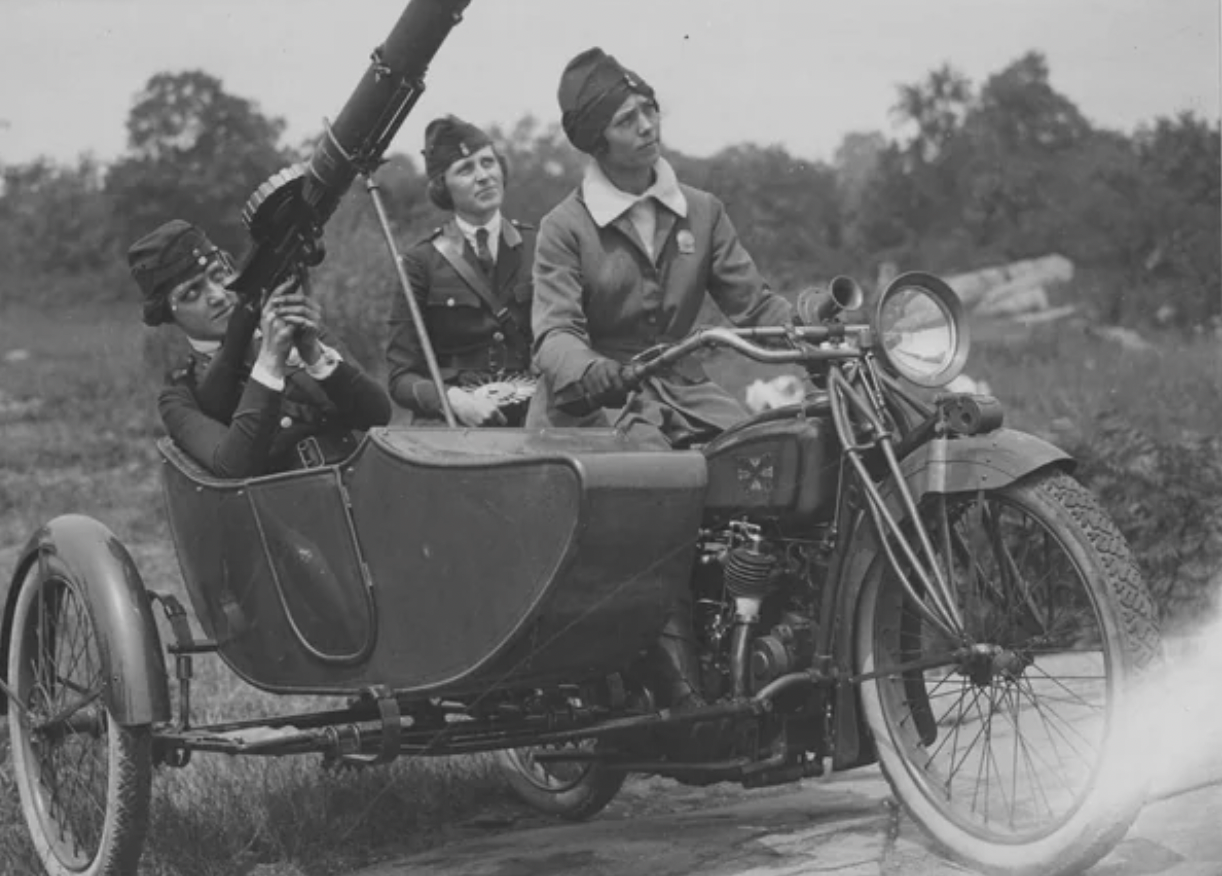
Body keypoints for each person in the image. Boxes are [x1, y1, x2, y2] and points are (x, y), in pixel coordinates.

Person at [529, 48, 796, 710]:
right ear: (596, 140)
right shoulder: (565, 228)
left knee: (772, 461)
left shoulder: (702, 210)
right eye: (626, 119)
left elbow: (755, 307)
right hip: (593, 406)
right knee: (660, 493)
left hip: (686, 389)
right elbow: (553, 334)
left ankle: (758, 632)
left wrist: (815, 328)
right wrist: (595, 373)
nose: (647, 125)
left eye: (649, 107)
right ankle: (674, 679)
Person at [129, 220, 391, 478]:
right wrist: (270, 360)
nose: (217, 295)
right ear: (165, 315)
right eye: (191, 293)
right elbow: (232, 465)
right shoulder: (179, 396)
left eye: (218, 275)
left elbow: (377, 414)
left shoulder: (294, 328)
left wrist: (315, 355)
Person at [385, 115, 536, 426]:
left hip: (533, 420)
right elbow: (401, 377)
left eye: (488, 162)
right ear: (443, 186)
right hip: (454, 425)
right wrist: (453, 401)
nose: (483, 176)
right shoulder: (419, 263)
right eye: (466, 169)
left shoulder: (540, 247)